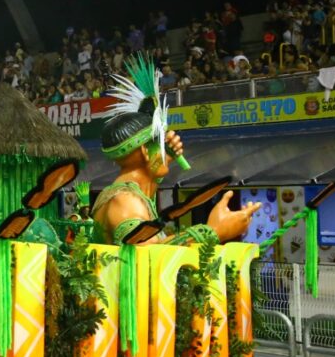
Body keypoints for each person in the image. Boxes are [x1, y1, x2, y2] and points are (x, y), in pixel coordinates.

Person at [91, 57, 259, 246]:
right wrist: (215, 231)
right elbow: (148, 256)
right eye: (162, 143)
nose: (172, 140)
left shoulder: (131, 194)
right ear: (146, 151)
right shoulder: (125, 202)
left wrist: (163, 160)